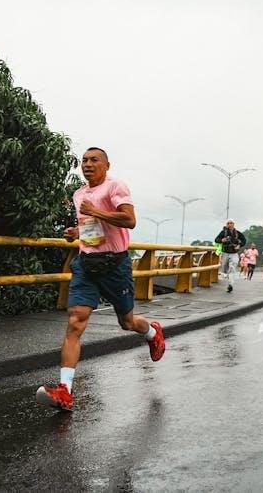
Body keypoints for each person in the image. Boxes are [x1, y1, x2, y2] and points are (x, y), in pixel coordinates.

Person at [36, 147, 166, 412]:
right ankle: (65, 391)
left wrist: (96, 211)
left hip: (115, 265)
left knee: (127, 322)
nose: (87, 164)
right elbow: (93, 228)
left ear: (107, 165)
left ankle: (152, 332)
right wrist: (77, 232)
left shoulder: (115, 186)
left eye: (94, 160)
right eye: (84, 160)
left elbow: (129, 220)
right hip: (86, 264)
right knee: (75, 322)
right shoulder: (79, 194)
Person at [215, 219, 246, 293]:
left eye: (231, 223)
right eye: (228, 223)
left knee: (232, 268)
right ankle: (227, 277)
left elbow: (244, 240)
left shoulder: (237, 233)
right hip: (225, 253)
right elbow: (216, 239)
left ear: (233, 224)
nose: (230, 224)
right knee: (224, 270)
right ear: (226, 224)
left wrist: (239, 245)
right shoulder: (223, 232)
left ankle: (230, 284)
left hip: (234, 253)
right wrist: (222, 240)